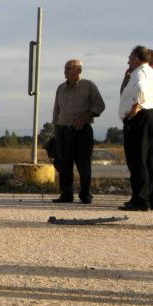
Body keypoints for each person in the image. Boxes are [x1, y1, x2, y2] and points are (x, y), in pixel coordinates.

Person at [51, 59, 105, 204]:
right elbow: (56, 110)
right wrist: (55, 130)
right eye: (65, 68)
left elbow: (99, 105)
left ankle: (85, 194)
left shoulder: (88, 86)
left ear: (78, 70)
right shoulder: (60, 88)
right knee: (64, 164)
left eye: (68, 68)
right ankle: (66, 194)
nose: (65, 71)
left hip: (82, 131)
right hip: (63, 130)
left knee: (83, 164)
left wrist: (85, 117)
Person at [119, 46, 153, 211]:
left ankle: (140, 200)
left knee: (137, 160)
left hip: (140, 118)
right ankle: (146, 197)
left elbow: (141, 89)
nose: (128, 60)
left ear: (137, 59)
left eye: (130, 57)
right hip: (147, 116)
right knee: (147, 160)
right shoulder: (147, 72)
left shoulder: (140, 73)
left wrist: (135, 107)